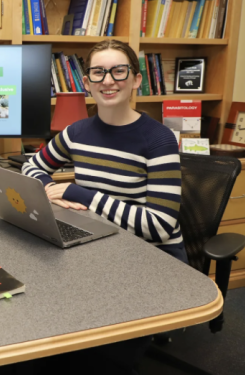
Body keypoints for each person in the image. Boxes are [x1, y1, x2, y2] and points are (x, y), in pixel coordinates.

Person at [22, 39, 186, 374]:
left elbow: (159, 225)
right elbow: (31, 167)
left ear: (136, 79)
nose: (107, 80)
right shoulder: (77, 132)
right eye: (98, 72)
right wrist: (51, 186)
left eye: (118, 71)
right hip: (100, 244)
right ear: (87, 83)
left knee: (96, 355)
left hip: (153, 257)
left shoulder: (158, 139)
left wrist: (81, 194)